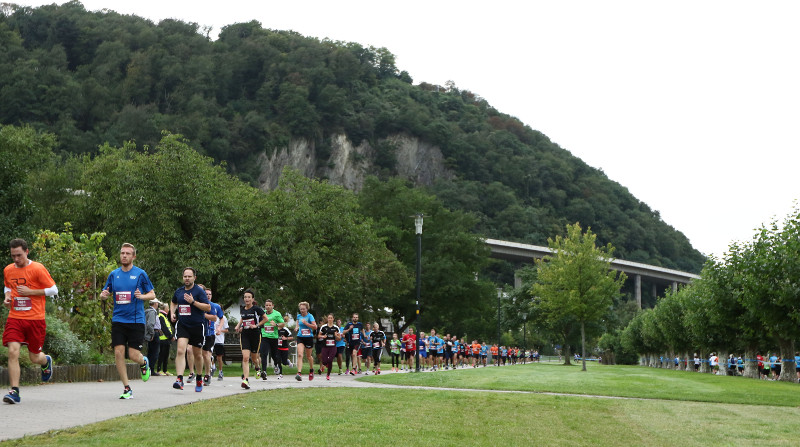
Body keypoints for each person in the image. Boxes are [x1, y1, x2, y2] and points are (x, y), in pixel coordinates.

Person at [3, 238, 57, 404]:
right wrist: (7, 298)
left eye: (19, 255)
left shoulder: (37, 268)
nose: (16, 259)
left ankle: (45, 361)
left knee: (35, 358)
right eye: (13, 256)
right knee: (13, 351)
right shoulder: (8, 270)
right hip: (15, 317)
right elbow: (8, 287)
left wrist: (30, 292)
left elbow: (53, 290)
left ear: (27, 252)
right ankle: (14, 391)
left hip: (35, 319)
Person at [100, 243, 156, 399]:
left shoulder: (140, 274)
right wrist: (103, 295)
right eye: (122, 253)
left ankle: (143, 363)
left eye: (127, 253)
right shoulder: (114, 274)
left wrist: (142, 296)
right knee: (118, 353)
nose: (124, 255)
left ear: (133, 256)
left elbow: (152, 294)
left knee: (133, 355)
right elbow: (106, 291)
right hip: (118, 319)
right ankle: (126, 388)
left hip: (136, 320)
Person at [170, 267, 211, 392]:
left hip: (197, 326)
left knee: (198, 354)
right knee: (181, 350)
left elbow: (208, 307)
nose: (187, 278)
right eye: (185, 276)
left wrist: (193, 302)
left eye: (189, 276)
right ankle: (179, 378)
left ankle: (199, 377)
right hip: (183, 325)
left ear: (194, 278)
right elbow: (173, 302)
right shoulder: (179, 291)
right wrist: (172, 312)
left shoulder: (199, 291)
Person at [235, 288, 266, 389]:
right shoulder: (243, 309)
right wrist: (238, 326)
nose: (247, 299)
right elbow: (242, 318)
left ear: (252, 299)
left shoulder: (257, 309)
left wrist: (257, 325)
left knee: (254, 357)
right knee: (245, 357)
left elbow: (266, 319)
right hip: (245, 335)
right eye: (245, 297)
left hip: (255, 335)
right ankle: (246, 380)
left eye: (249, 297)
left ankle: (257, 368)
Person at [259, 298, 284, 379]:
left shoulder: (277, 314)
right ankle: (264, 371)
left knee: (274, 355)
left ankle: (276, 365)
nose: (268, 307)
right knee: (264, 354)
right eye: (266, 305)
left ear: (273, 306)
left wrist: (276, 324)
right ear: (265, 306)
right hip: (265, 337)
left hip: (274, 337)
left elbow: (283, 324)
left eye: (270, 305)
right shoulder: (262, 314)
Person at [202, 287, 222, 385]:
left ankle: (208, 374)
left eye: (210, 294)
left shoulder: (215, 306)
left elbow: (220, 318)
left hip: (210, 333)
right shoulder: (198, 305)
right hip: (199, 333)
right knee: (200, 354)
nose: (208, 296)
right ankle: (210, 368)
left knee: (207, 354)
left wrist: (219, 328)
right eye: (206, 294)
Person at [295, 301, 317, 381]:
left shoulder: (310, 316)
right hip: (300, 337)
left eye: (303, 309)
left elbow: (315, 327)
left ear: (307, 309)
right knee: (300, 354)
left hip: (308, 338)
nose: (302, 310)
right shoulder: (299, 316)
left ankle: (311, 370)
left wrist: (307, 324)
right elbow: (297, 323)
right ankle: (299, 373)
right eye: (301, 309)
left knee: (308, 356)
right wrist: (297, 327)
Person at [318, 313, 341, 380]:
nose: (330, 319)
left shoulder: (336, 328)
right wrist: (323, 336)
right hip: (325, 346)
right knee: (324, 360)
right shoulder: (323, 327)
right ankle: (324, 365)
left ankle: (328, 375)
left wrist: (336, 335)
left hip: (333, 346)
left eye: (331, 318)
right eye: (329, 318)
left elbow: (339, 338)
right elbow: (319, 336)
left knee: (330, 360)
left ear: (333, 319)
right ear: (327, 319)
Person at [144, 299, 161, 376]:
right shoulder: (152, 312)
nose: (158, 304)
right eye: (157, 302)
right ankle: (151, 369)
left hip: (151, 333)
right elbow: (150, 324)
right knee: (154, 353)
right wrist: (152, 334)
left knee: (150, 352)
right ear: (155, 303)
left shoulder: (147, 311)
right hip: (154, 333)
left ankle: (149, 368)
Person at [157, 303, 174, 375]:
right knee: (161, 355)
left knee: (166, 355)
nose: (169, 309)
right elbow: (164, 328)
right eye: (168, 308)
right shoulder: (161, 316)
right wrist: (170, 336)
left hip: (167, 339)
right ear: (165, 309)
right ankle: (159, 369)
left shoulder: (165, 317)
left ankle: (165, 370)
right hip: (162, 339)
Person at [213, 308, 228, 380]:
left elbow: (226, 330)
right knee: (207, 354)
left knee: (219, 357)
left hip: (219, 340)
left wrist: (219, 330)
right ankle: (213, 367)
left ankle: (220, 371)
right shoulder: (211, 316)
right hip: (211, 338)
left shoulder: (223, 318)